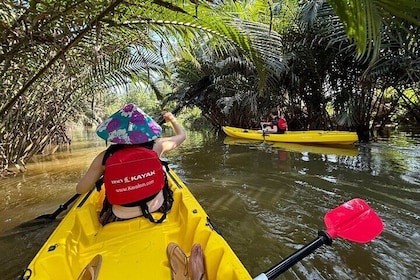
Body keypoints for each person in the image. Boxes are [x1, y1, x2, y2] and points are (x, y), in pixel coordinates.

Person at [76, 103, 186, 224]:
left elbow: (81, 189)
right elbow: (182, 136)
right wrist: (172, 120)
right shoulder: (157, 146)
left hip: (119, 215)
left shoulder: (104, 157)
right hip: (158, 206)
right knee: (163, 170)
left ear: (115, 132)